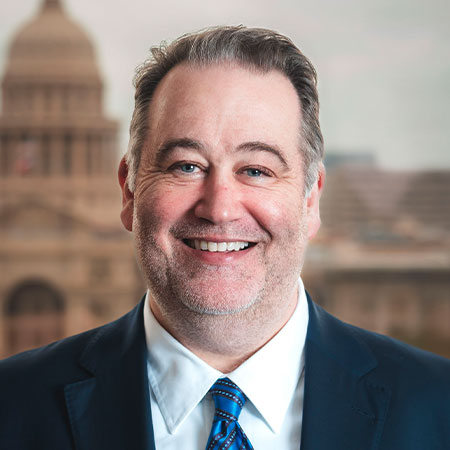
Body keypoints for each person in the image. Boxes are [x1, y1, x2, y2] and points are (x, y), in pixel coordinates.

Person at [1, 26, 449, 450]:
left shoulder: (438, 406)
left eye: (256, 170)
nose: (219, 208)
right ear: (129, 190)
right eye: (186, 166)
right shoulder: (11, 407)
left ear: (311, 199)